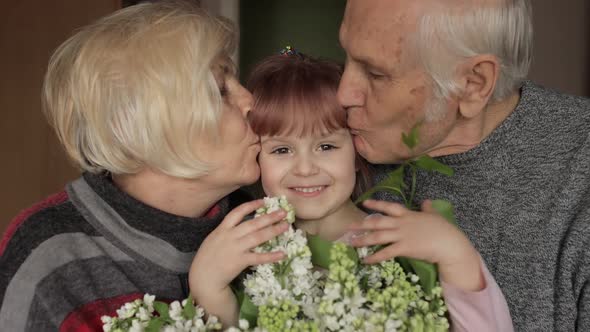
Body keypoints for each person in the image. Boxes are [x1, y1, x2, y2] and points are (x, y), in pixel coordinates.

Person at [0, 2, 289, 331]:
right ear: (140, 126)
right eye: (221, 90)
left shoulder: (263, 221)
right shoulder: (49, 255)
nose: (251, 101)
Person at [190, 51, 513, 331]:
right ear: (256, 155)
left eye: (326, 146)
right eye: (281, 150)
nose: (305, 168)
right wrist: (209, 288)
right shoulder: (245, 249)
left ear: (357, 153)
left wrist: (454, 254)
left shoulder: (399, 239)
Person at [337, 0, 590, 330]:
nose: (342, 94)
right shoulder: (317, 148)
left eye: (375, 73)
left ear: (473, 84)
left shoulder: (579, 173)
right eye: (345, 55)